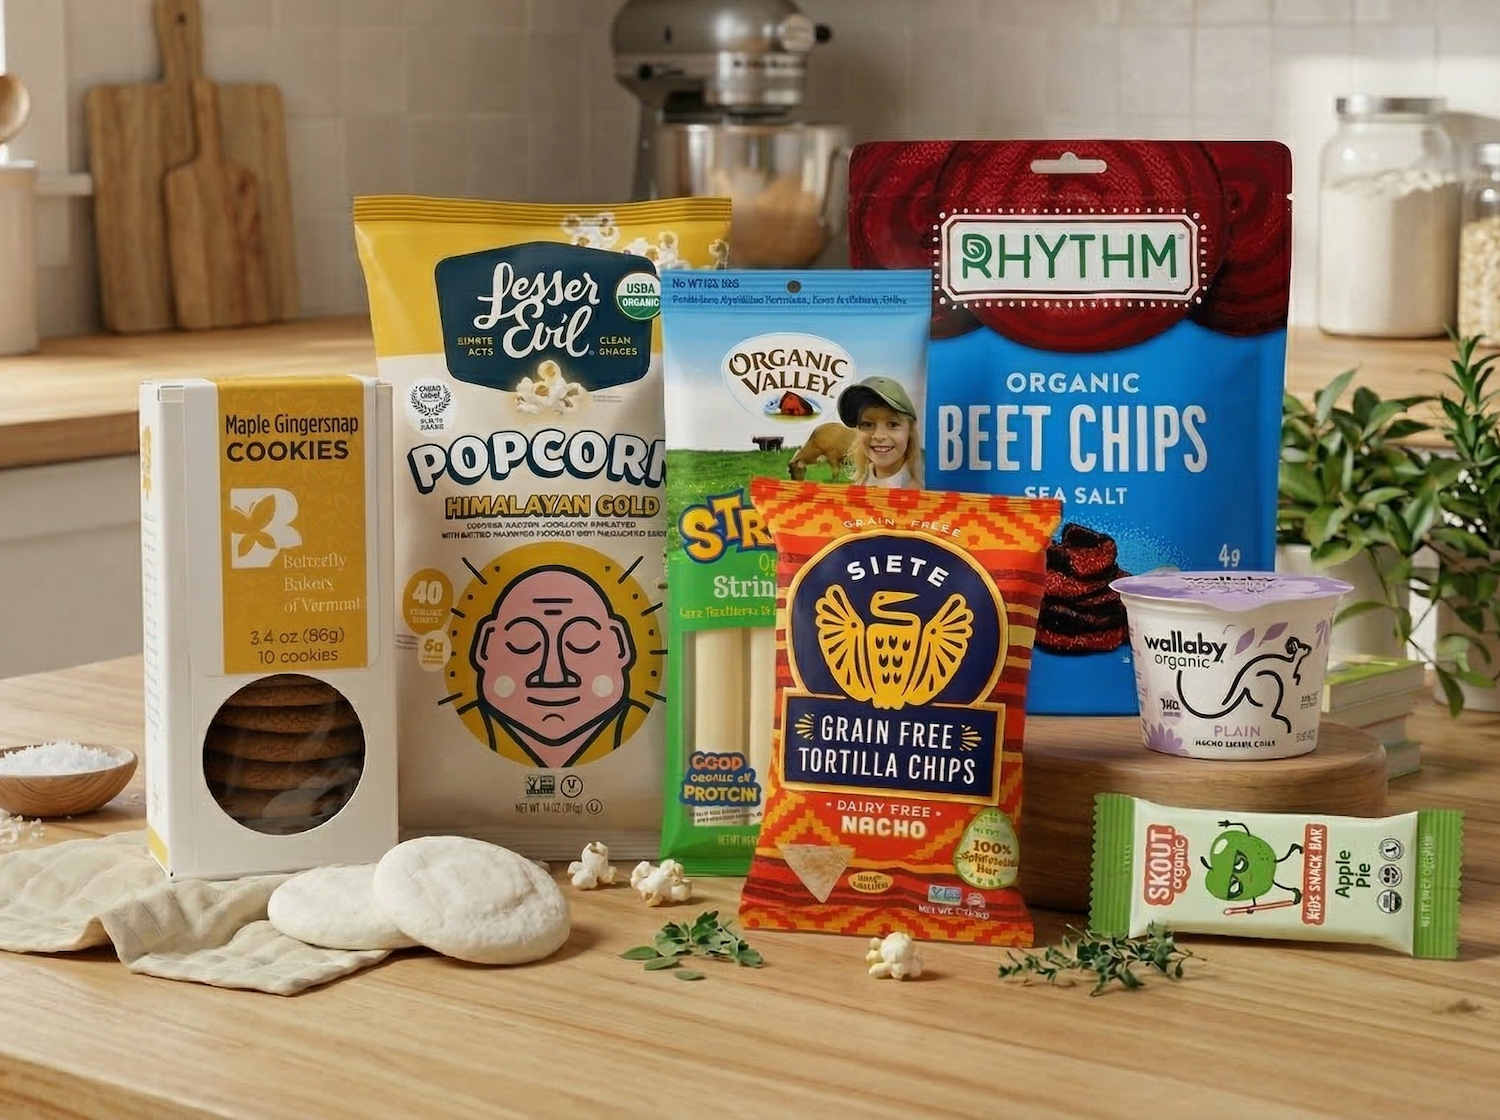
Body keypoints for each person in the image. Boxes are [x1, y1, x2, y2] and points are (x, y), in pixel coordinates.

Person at [469, 565, 648, 768]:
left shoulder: (654, 733)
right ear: (483, 648)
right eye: (523, 639)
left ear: (621, 646)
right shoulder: (459, 734)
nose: (552, 676)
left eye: (582, 639)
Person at [836, 375, 923, 489]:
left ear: (910, 431)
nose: (879, 436)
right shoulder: (857, 489)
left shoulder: (926, 493)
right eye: (868, 425)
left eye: (893, 424)